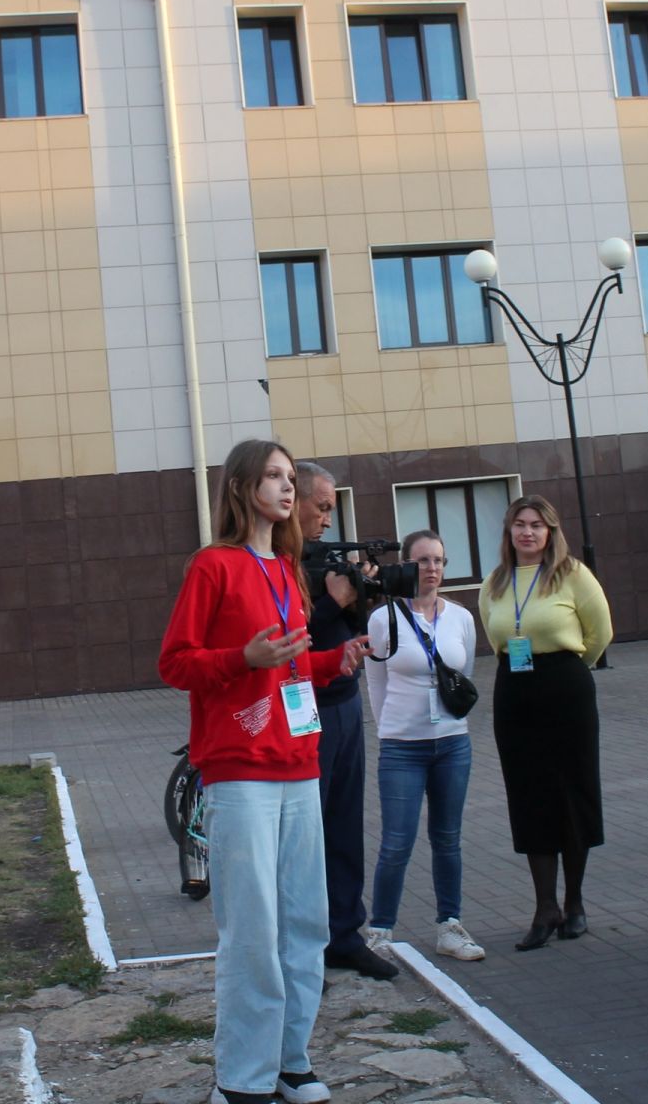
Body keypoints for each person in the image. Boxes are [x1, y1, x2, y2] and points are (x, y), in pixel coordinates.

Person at [158, 439, 372, 1104]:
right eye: (276, 477)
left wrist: (332, 662)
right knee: (252, 929)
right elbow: (176, 662)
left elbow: (283, 664)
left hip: (297, 764)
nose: (288, 489)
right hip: (241, 770)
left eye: (290, 477)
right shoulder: (213, 567)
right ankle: (242, 1079)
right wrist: (241, 658)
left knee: (305, 922)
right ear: (245, 485)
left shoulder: (286, 568)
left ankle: (291, 1061)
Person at [478, 495, 613, 952]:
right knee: (529, 795)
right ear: (508, 531)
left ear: (551, 531)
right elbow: (493, 633)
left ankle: (574, 903)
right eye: (520, 524)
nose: (528, 532)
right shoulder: (494, 582)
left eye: (537, 524)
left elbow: (600, 633)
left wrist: (572, 669)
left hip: (565, 689)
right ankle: (544, 908)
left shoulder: (572, 574)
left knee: (571, 792)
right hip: (515, 694)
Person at [293, 461, 396, 981]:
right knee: (306, 833)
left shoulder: (326, 561)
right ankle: (306, 947)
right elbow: (294, 637)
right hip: (303, 711)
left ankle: (345, 935)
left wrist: (359, 595)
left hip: (344, 702)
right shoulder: (281, 564)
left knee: (345, 823)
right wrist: (334, 600)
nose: (329, 520)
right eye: (324, 507)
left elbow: (347, 628)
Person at [361, 530, 484, 962]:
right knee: (396, 841)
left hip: (452, 743)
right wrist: (391, 728)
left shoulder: (462, 618)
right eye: (423, 561)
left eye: (439, 560)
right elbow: (375, 682)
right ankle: (380, 930)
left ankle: (449, 925)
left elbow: (462, 670)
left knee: (447, 838)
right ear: (406, 567)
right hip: (401, 748)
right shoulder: (383, 618)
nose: (432, 569)